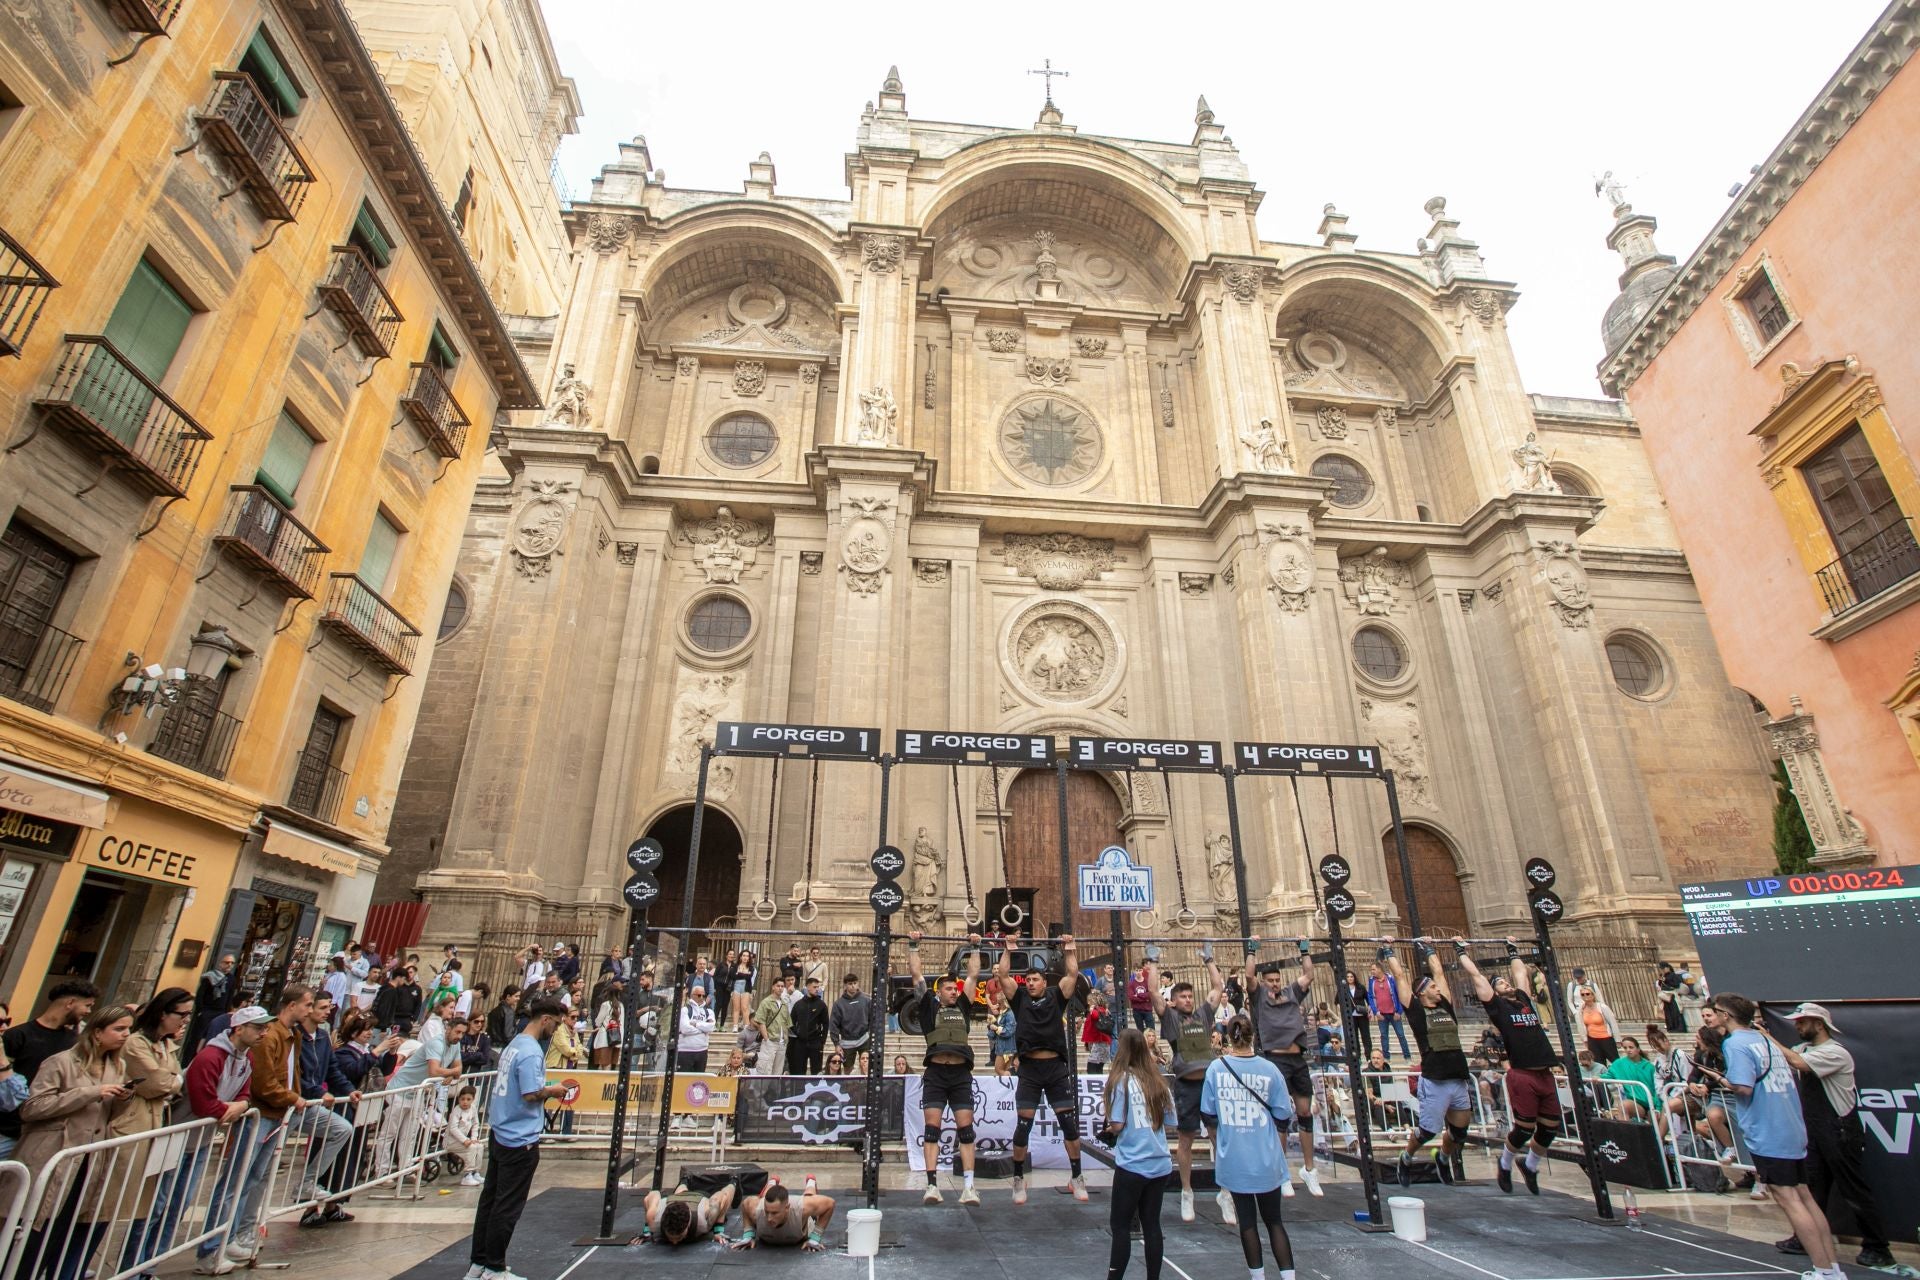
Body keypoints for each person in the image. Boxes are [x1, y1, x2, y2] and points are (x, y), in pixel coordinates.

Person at [1702, 994, 1843, 1280]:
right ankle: (1832, 1267)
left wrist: (1719, 1079)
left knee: (1789, 1198)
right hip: (1790, 1123)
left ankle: (1824, 1271)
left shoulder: (1736, 1043)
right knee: (1805, 1196)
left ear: (1726, 1015)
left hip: (1768, 1128)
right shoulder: (1765, 1039)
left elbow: (1743, 1087)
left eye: (1716, 1012)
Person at [13, 1004, 135, 1280]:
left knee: (58, 1234)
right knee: (31, 1233)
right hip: (52, 1157)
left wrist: (121, 1100)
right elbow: (32, 1107)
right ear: (96, 1032)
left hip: (87, 1163)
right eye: (119, 1029)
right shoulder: (61, 1062)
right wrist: (90, 1092)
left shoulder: (118, 1065)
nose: (126, 1035)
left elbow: (107, 1114)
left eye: (128, 1029)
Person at [1772, 1002, 1893, 1269]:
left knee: (1853, 1190)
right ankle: (1805, 1238)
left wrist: (1766, 1037)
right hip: (1814, 1129)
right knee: (1813, 1188)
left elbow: (1798, 1063)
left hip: (1839, 1129)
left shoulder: (1835, 1052)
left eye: (1802, 1022)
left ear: (1819, 1024)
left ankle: (1878, 1247)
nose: (1797, 1026)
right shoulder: (1805, 1048)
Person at [468, 995, 570, 1280]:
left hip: (501, 1132)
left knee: (490, 1201)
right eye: (556, 1024)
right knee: (507, 1206)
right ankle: (494, 1268)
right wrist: (552, 1090)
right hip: (519, 1138)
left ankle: (480, 1261)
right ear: (545, 1019)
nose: (556, 1030)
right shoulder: (531, 1052)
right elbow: (529, 1093)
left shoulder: (514, 1045)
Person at [1458, 937, 1561, 1195]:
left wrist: (1512, 949)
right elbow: (1477, 977)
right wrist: (1460, 951)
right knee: (1524, 1127)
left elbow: (1520, 973)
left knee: (1550, 1127)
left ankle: (1530, 1165)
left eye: (1505, 981)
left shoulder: (1524, 1001)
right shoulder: (1498, 1008)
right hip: (1523, 1072)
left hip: (1544, 1071)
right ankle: (1504, 1164)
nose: (1505, 983)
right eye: (1500, 983)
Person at [995, 929, 1089, 1204]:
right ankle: (1018, 1178)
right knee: (1023, 1126)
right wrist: (1008, 948)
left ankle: (1076, 1177)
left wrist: (1070, 948)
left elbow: (1072, 975)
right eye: (1028, 980)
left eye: (1035, 980)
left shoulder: (1055, 997)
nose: (1031, 983)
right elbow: (1002, 975)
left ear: (1044, 981)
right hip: (1031, 1071)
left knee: (1069, 1125)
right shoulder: (1020, 998)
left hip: (1055, 1068)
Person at [1202, 1015, 1298, 1280]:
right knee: (1275, 1221)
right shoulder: (1269, 1069)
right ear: (1253, 1036)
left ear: (1227, 1037)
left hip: (1234, 1156)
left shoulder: (1216, 1068)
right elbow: (1283, 1113)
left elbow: (1208, 1113)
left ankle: (1258, 1277)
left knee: (1247, 1223)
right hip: (1265, 1156)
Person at [111, 988, 192, 1279]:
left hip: (158, 1128)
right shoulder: (136, 1044)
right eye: (182, 1014)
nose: (185, 1021)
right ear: (162, 1013)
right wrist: (173, 1081)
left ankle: (136, 1268)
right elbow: (158, 1082)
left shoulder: (165, 1046)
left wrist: (172, 1080)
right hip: (133, 1128)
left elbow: (172, 1080)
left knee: (149, 1205)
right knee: (108, 1209)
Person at [188, 1005, 271, 1275]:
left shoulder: (246, 1060)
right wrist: (231, 1109)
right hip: (183, 1135)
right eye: (259, 1028)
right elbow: (204, 1103)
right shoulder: (211, 1056)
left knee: (179, 1202)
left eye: (265, 1028)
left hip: (203, 1137)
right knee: (165, 1205)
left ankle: (214, 1248)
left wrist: (240, 1106)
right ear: (239, 1028)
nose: (263, 1033)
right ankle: (142, 1265)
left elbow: (245, 1095)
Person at [1385, 941, 1472, 1187]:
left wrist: (1429, 949)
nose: (1437, 989)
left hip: (1458, 1077)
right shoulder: (1416, 1012)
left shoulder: (1446, 1006)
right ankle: (1407, 1156)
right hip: (1435, 1079)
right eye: (1432, 987)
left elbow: (1440, 973)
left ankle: (1443, 1158)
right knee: (1427, 1131)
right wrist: (1389, 951)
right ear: (1422, 993)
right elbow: (1400, 977)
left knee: (1459, 1132)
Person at [907, 928, 984, 1204]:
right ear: (940, 992)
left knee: (966, 1130)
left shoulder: (964, 1005)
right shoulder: (929, 1006)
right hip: (937, 1074)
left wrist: (976, 946)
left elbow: (973, 974)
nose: (955, 991)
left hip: (961, 1074)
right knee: (932, 1129)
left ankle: (969, 1187)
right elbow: (917, 975)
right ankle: (931, 1186)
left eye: (956, 988)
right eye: (950, 989)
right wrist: (914, 944)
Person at [1244, 940, 1323, 1200]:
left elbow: (1310, 975)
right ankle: (1282, 1173)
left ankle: (1309, 1169)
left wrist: (1304, 951)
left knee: (1304, 1113)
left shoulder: (1292, 993)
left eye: (1277, 980)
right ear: (1264, 982)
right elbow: (1248, 975)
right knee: (1279, 1117)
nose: (1275, 983)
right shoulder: (1259, 1000)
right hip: (1274, 1060)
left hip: (1298, 1060)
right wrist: (1252, 950)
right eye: (1271, 980)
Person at [1150, 949, 1224, 1222]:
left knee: (1219, 1137)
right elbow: (1154, 993)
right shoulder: (1170, 1019)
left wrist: (1209, 960)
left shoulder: (1204, 1014)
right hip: (1186, 1086)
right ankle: (1186, 1191)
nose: (1188, 999)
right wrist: (1154, 962)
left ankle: (1225, 1190)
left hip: (1210, 1085)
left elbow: (1217, 987)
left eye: (1190, 995)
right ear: (1174, 1000)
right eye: (1182, 996)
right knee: (1186, 1139)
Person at [1, 980, 100, 1160]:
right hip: (7, 1129)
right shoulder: (17, 1035)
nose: (88, 1012)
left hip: (41, 1131)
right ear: (70, 1003)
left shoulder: (74, 1042)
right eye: (87, 1005)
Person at [1104, 1029, 1173, 1280]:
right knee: (1152, 1224)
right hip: (1159, 1161)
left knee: (1120, 1226)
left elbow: (1118, 1125)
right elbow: (1171, 1120)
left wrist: (1111, 1128)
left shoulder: (1120, 1081)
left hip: (1133, 1162)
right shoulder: (1158, 1081)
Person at [286, 990, 359, 1226]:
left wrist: (348, 1090)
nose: (328, 1012)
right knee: (263, 1168)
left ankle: (309, 1182)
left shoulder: (323, 1036)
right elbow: (293, 1073)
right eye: (322, 1008)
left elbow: (332, 1068)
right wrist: (318, 1092)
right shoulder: (294, 1036)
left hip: (309, 1105)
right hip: (292, 1103)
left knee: (342, 1130)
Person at [379, 991, 463, 1175]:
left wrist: (449, 1073)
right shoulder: (436, 1042)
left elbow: (459, 1070)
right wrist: (449, 1073)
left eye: (462, 1033)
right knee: (389, 1134)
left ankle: (406, 1168)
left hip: (418, 1093)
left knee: (410, 1134)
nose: (459, 1036)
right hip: (401, 1090)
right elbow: (435, 1071)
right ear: (448, 1029)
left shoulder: (455, 1045)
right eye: (457, 1032)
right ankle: (382, 1171)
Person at [734, 1175, 833, 1252]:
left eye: (774, 1213)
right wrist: (748, 1235)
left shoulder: (801, 1208)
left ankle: (811, 1182)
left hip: (802, 1223)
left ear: (787, 1208)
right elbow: (745, 1203)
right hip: (768, 1203)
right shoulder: (757, 1210)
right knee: (766, 1197)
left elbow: (830, 1204)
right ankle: (772, 1182)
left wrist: (815, 1237)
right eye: (767, 1212)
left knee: (809, 1196)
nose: (769, 1218)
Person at [645, 1178, 736, 1247]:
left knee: (725, 1194)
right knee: (678, 1194)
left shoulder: (703, 1222)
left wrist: (718, 1230)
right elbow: (653, 1194)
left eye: (679, 1237)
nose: (675, 1243)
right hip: (677, 1196)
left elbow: (722, 1198)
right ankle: (684, 1180)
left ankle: (734, 1181)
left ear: (688, 1225)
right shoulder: (653, 1219)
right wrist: (647, 1231)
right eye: (670, 1237)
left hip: (701, 1197)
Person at [1603, 1036, 1659, 1124]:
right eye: (1625, 1048)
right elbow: (1608, 1075)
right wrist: (1597, 1077)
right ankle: (1627, 1134)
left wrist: (1657, 1107)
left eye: (1631, 1047)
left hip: (1652, 1103)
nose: (1628, 1050)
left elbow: (1657, 1087)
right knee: (1623, 1105)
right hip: (1635, 1103)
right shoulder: (1619, 1063)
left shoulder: (1649, 1067)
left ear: (1638, 1049)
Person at [830, 973, 874, 1076]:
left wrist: (871, 1035)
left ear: (858, 984)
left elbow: (873, 1019)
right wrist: (836, 1043)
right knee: (848, 1069)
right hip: (847, 1042)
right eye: (850, 984)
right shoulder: (838, 1004)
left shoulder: (867, 1000)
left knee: (866, 1065)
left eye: (855, 983)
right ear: (845, 985)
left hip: (864, 1039)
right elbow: (833, 1025)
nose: (853, 986)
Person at [1365, 960, 1410, 1061]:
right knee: (1384, 1036)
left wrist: (1399, 1011)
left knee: (1401, 1035)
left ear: (1380, 969)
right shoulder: (1372, 981)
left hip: (1394, 1013)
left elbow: (1400, 995)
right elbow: (1371, 997)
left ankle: (1407, 1056)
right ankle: (1386, 1057)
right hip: (1381, 1014)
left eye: (1373, 969)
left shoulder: (1391, 979)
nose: (1372, 971)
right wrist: (1375, 1011)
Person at [189, 954, 236, 1050]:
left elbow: (230, 996)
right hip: (207, 1010)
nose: (229, 965)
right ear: (220, 963)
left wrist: (226, 1012)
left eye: (232, 963)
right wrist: (200, 1011)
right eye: (227, 962)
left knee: (213, 1037)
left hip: (220, 1012)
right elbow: (200, 994)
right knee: (198, 1037)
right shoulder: (210, 976)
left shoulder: (231, 979)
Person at [789, 976, 830, 1075]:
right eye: (815, 987)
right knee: (799, 1071)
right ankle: (799, 1090)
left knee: (816, 1071)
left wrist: (822, 1040)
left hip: (815, 1042)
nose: (817, 989)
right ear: (808, 987)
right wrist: (798, 1032)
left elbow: (826, 1023)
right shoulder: (799, 1004)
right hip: (801, 1042)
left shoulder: (821, 1005)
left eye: (818, 987)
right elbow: (790, 1021)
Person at [751, 978, 792, 1075]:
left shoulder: (784, 1004)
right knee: (765, 1069)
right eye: (778, 986)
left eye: (782, 986)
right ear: (773, 987)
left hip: (782, 1042)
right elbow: (760, 1021)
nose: (780, 988)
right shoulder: (766, 1002)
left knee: (778, 1071)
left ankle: (774, 1090)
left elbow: (787, 1023)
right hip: (770, 1040)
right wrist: (766, 1039)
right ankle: (762, 1090)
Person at [446, 1085, 483, 1186]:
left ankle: (476, 1172)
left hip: (465, 1140)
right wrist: (464, 1140)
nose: (465, 1102)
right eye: (462, 1099)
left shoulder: (473, 1108)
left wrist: (474, 1138)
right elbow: (453, 1128)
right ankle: (467, 1175)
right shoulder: (456, 1111)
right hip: (452, 1141)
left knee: (479, 1146)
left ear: (473, 1100)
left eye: (468, 1099)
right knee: (471, 1148)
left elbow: (476, 1123)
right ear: (459, 1099)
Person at [1577, 985, 1621, 1064]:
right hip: (1592, 1039)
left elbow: (1613, 1023)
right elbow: (1581, 1025)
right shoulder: (1581, 1009)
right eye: (1582, 994)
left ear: (1593, 995)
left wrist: (1618, 1040)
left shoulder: (1602, 1007)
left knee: (1615, 1061)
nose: (1585, 996)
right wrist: (1585, 1039)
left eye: (1587, 994)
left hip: (1606, 1038)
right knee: (1598, 1062)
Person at [678, 984, 716, 1073]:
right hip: (685, 1051)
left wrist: (696, 1024)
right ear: (692, 995)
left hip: (702, 1051)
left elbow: (711, 1027)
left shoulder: (709, 1011)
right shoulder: (685, 1010)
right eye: (699, 995)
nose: (702, 997)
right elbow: (685, 1029)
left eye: (704, 995)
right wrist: (703, 1029)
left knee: (698, 1082)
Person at [1336, 969, 1372, 1058]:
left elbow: (1369, 1000)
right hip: (1351, 1017)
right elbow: (1336, 1001)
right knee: (1354, 1037)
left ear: (1354, 977)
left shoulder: (1361, 987)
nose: (1350, 978)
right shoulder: (1343, 989)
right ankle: (1357, 1056)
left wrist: (1369, 1010)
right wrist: (1342, 1011)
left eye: (1351, 976)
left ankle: (1368, 1056)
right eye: (1348, 977)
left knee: (1366, 1037)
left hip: (1362, 1016)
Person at [590, 980, 624, 1068]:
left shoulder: (606, 1004)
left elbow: (598, 1022)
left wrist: (599, 1025)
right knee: (612, 1064)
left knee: (605, 1064)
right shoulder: (621, 1005)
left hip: (605, 1038)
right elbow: (622, 1022)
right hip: (617, 1038)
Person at [985, 985, 1016, 1074]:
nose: (996, 1001)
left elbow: (1009, 1031)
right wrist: (992, 1024)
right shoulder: (1001, 1013)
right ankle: (1009, 1085)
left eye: (998, 999)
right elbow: (994, 1034)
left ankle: (1011, 1084)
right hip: (1002, 1046)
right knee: (1003, 1070)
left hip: (1006, 1048)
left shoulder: (1009, 1014)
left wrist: (996, 1028)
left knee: (999, 1070)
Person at [729, 951, 758, 1031]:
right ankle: (735, 1026)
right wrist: (744, 973)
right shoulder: (735, 966)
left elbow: (749, 977)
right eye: (744, 955)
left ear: (749, 958)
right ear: (740, 957)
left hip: (746, 987)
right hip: (736, 987)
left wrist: (739, 973)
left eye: (747, 956)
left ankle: (746, 1025)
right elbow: (732, 975)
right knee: (736, 1008)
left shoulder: (751, 967)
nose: (745, 957)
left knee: (745, 1008)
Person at [1126, 963, 1156, 1033]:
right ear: (1134, 971)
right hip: (1137, 1010)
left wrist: (1138, 995)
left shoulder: (1147, 981)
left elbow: (1150, 994)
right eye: (1137, 970)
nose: (1138, 972)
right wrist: (1145, 998)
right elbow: (1131, 997)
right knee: (1140, 1031)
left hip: (1147, 1009)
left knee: (1151, 1030)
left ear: (1142, 971)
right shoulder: (1131, 983)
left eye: (1140, 970)